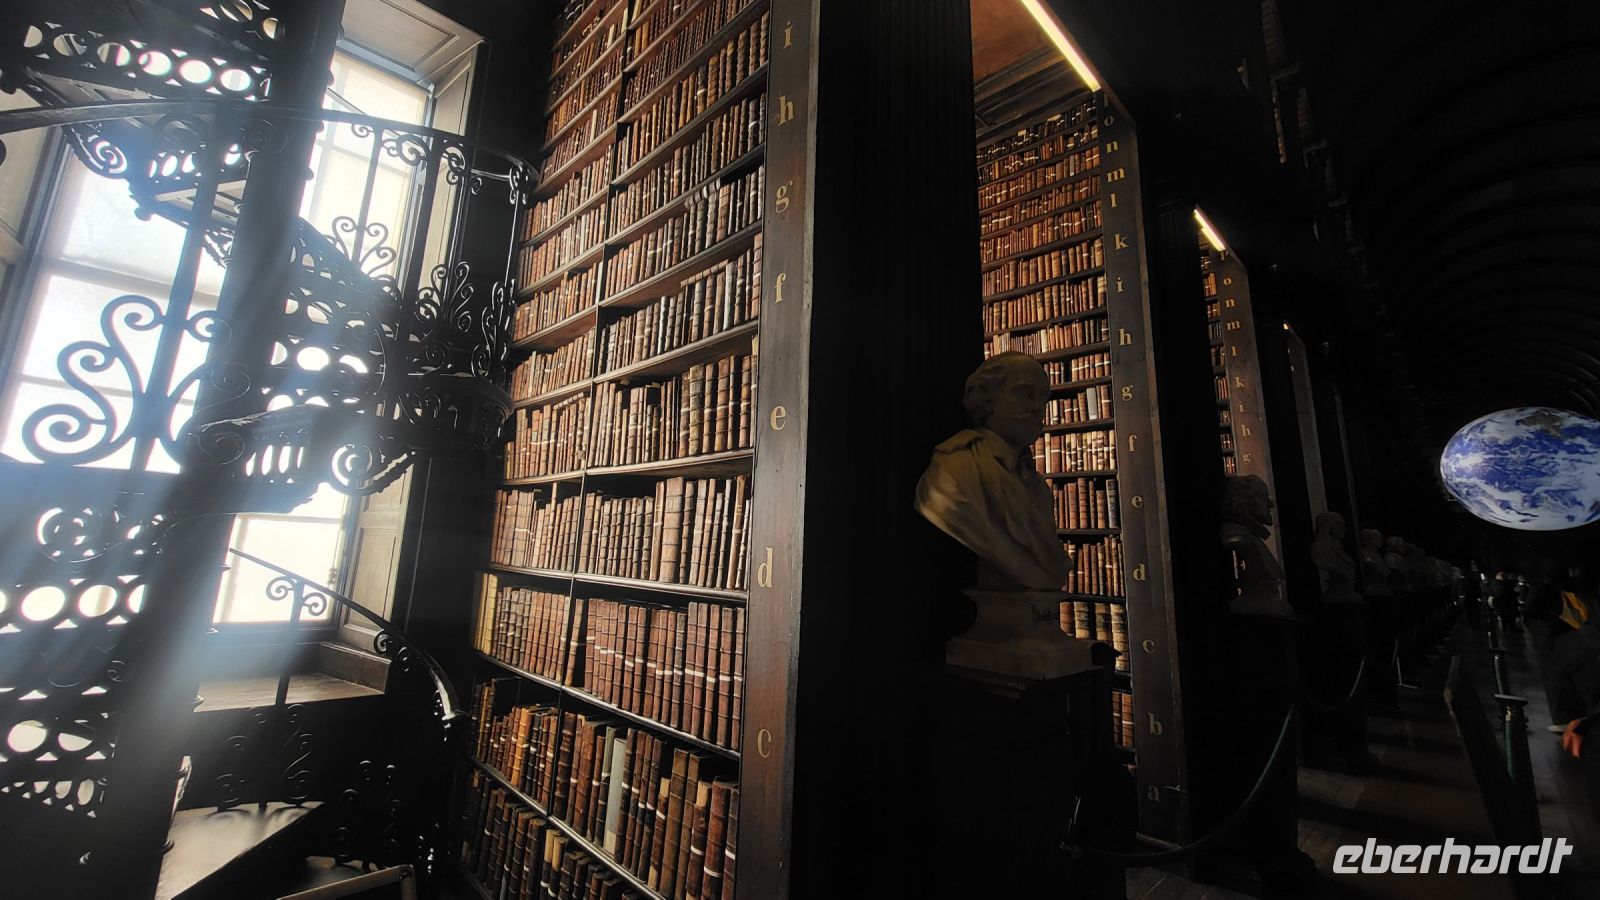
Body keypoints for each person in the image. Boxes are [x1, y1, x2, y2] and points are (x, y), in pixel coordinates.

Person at [914, 351, 1069, 591]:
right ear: (988, 399)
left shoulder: (1035, 484)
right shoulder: (954, 469)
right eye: (1024, 393)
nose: (1038, 407)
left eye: (1043, 397)